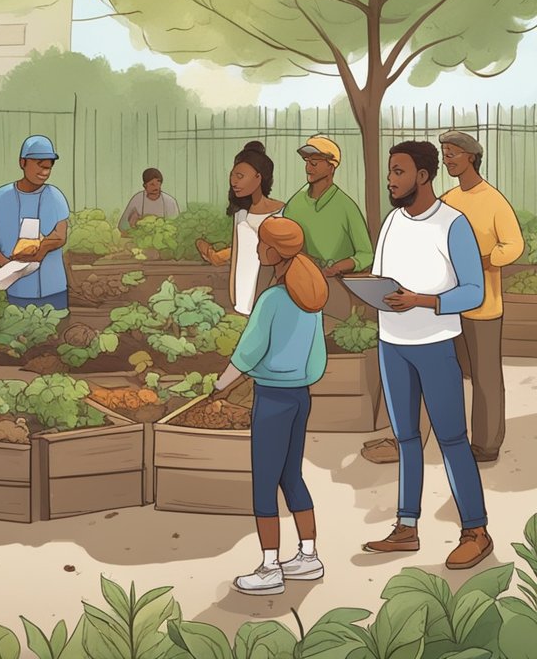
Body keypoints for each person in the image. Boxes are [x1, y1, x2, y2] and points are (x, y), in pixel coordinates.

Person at [361, 141, 491, 570]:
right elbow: (382, 278)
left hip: (435, 345)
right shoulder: (392, 222)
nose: (390, 180)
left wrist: (423, 300)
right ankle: (407, 526)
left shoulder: (452, 224)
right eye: (389, 172)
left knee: (452, 437)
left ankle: (476, 530)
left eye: (398, 172)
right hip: (392, 345)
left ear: (422, 175)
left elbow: (474, 291)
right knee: (406, 439)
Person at [212, 216, 328, 595]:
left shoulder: (273, 299)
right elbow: (316, 354)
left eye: (262, 244)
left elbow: (248, 351)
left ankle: (270, 566)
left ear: (274, 252)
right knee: (291, 475)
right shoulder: (310, 295)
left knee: (264, 482)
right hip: (301, 395)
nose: (259, 250)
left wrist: (220, 385)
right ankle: (308, 556)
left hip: (273, 397)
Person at [439, 132, 523, 462]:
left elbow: (514, 245)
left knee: (485, 377)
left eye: (452, 154)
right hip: (448, 304)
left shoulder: (493, 200)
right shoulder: (447, 199)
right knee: (455, 372)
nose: (447, 160)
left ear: (471, 157)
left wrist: (484, 261)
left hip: (483, 306)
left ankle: (487, 445)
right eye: (444, 154)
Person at [0, 135, 71, 310]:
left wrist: (41, 249)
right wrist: (10, 267)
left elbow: (60, 235)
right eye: (40, 164)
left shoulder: (55, 197)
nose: (45, 171)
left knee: (55, 332)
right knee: (20, 331)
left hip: (54, 288)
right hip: (17, 290)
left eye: (49, 166)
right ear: (22, 162)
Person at [280, 136, 374, 320]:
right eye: (307, 162)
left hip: (335, 285)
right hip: (300, 282)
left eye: (314, 163)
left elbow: (366, 254)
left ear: (331, 167)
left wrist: (339, 267)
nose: (308, 168)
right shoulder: (295, 204)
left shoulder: (346, 206)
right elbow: (284, 243)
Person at [196, 142, 285, 316]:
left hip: (270, 291)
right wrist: (234, 295)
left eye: (240, 176)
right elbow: (237, 255)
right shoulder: (241, 214)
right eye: (232, 176)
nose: (234, 182)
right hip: (243, 296)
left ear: (258, 177)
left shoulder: (281, 211)